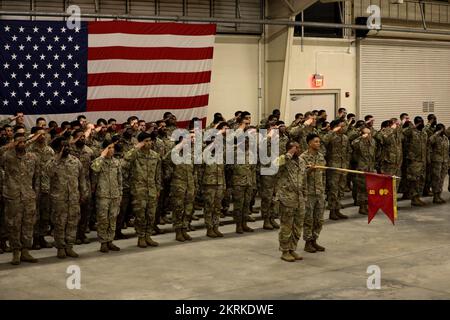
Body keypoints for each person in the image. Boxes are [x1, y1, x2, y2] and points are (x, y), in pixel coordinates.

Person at [1, 133, 40, 265]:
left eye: (24, 141)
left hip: (29, 196)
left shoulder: (32, 157)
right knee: (14, 225)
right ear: (14, 143)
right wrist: (9, 146)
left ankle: (25, 251)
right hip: (13, 196)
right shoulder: (7, 156)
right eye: (19, 141)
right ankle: (15, 252)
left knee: (28, 224)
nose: (22, 144)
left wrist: (36, 192)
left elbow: (37, 176)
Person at [46, 137, 86, 259]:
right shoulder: (52, 161)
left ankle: (69, 246)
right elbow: (48, 173)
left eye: (68, 146)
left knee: (72, 223)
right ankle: (60, 248)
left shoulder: (75, 161)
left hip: (73, 198)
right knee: (59, 224)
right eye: (64, 146)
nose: (67, 148)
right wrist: (58, 158)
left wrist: (83, 193)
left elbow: (82, 179)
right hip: (59, 199)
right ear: (58, 147)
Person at [125, 132, 161, 248]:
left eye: (150, 140)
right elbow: (126, 158)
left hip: (152, 190)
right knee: (140, 215)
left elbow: (158, 174)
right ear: (140, 142)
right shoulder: (135, 154)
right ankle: (141, 237)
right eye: (146, 141)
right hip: (139, 190)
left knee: (151, 215)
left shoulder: (155, 155)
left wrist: (158, 188)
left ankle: (148, 236)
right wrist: (136, 147)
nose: (149, 143)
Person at [276, 141, 306, 262]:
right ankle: (285, 250)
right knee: (286, 226)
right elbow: (274, 165)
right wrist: (288, 154)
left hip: (299, 198)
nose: (298, 149)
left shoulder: (302, 162)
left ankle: (292, 248)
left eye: (299, 147)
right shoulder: (283, 160)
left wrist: (305, 195)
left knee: (297, 226)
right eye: (295, 147)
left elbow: (304, 179)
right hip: (287, 198)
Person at [91, 141, 123, 252]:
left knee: (113, 218)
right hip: (103, 195)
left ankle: (110, 240)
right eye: (109, 148)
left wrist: (120, 193)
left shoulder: (116, 162)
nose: (112, 150)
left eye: (113, 148)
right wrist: (102, 156)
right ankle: (103, 242)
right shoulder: (98, 161)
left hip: (115, 194)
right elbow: (94, 168)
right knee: (103, 219)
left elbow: (120, 179)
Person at [27, 127, 54, 250]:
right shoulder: (29, 149)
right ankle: (35, 239)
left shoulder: (49, 150)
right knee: (35, 214)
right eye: (39, 135)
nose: (42, 137)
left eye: (44, 134)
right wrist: (32, 139)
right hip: (33, 186)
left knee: (45, 213)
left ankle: (42, 237)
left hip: (47, 186)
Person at [301, 133, 326, 253]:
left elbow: (323, 174)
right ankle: (308, 242)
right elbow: (299, 175)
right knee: (308, 219)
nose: (318, 144)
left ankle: (315, 240)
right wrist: (309, 170)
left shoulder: (321, 156)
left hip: (319, 191)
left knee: (319, 219)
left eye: (319, 142)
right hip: (309, 192)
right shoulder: (303, 158)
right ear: (309, 143)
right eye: (316, 141)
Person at [323, 119, 351, 220]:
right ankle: (332, 211)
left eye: (344, 126)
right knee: (333, 190)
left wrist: (346, 164)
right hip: (333, 166)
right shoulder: (331, 136)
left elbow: (348, 152)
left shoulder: (345, 138)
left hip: (343, 166)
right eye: (341, 126)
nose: (343, 128)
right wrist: (332, 131)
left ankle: (338, 209)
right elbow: (323, 142)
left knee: (340, 189)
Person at [403, 116, 428, 207]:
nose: (421, 123)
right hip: (414, 160)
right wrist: (413, 126)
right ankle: (414, 198)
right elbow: (404, 132)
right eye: (418, 122)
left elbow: (426, 146)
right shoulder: (411, 132)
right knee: (414, 180)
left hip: (423, 160)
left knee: (421, 179)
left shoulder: (424, 133)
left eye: (421, 122)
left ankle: (418, 197)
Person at [351, 127, 377, 215]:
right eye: (367, 133)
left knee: (369, 188)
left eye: (370, 133)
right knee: (362, 188)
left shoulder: (373, 141)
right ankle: (362, 207)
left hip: (371, 167)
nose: (369, 135)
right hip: (362, 168)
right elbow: (353, 144)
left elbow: (374, 154)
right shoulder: (358, 142)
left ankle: (367, 205)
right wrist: (361, 137)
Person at [429, 124, 449, 204]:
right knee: (436, 179)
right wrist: (437, 133)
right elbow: (430, 141)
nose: (444, 130)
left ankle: (439, 195)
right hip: (436, 161)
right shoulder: (435, 137)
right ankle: (435, 196)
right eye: (442, 129)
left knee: (441, 179)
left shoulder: (445, 138)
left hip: (445, 161)